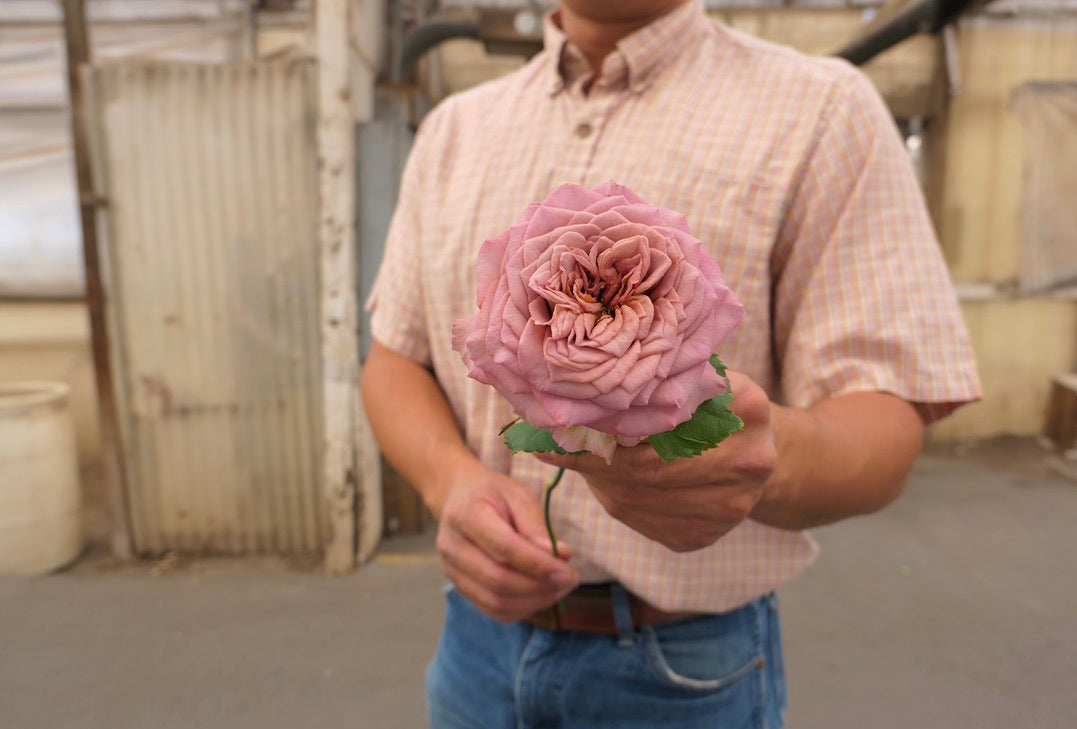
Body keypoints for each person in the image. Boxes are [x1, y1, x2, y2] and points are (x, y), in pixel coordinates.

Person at [360, 1, 981, 727]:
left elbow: (888, 419)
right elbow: (394, 360)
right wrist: (452, 481)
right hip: (474, 647)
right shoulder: (452, 130)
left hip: (682, 665)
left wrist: (761, 460)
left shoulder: (822, 108)